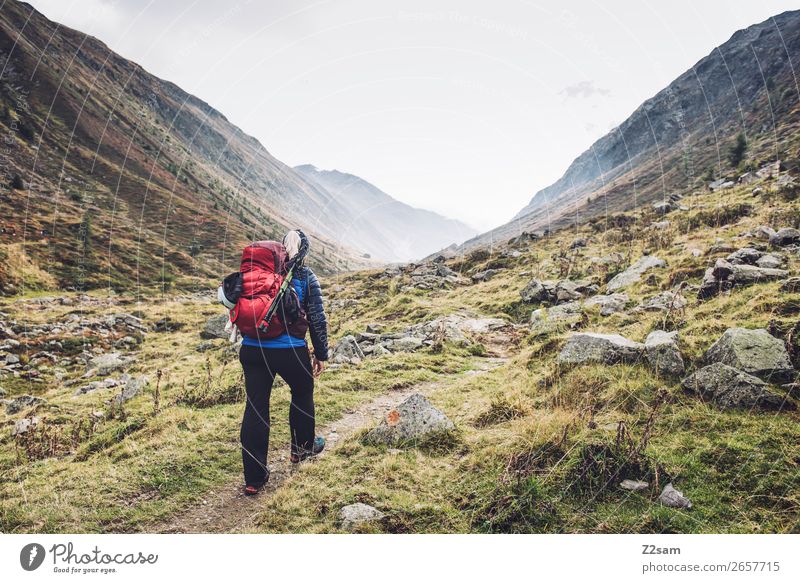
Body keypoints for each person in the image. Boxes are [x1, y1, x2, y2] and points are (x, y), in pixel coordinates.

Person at [237, 230, 328, 496]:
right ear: (304, 251)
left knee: (255, 406)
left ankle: (254, 477)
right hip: (289, 350)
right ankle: (302, 450)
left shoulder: (256, 273)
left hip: (252, 350)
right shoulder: (305, 276)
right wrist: (320, 354)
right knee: (301, 393)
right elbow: (316, 318)